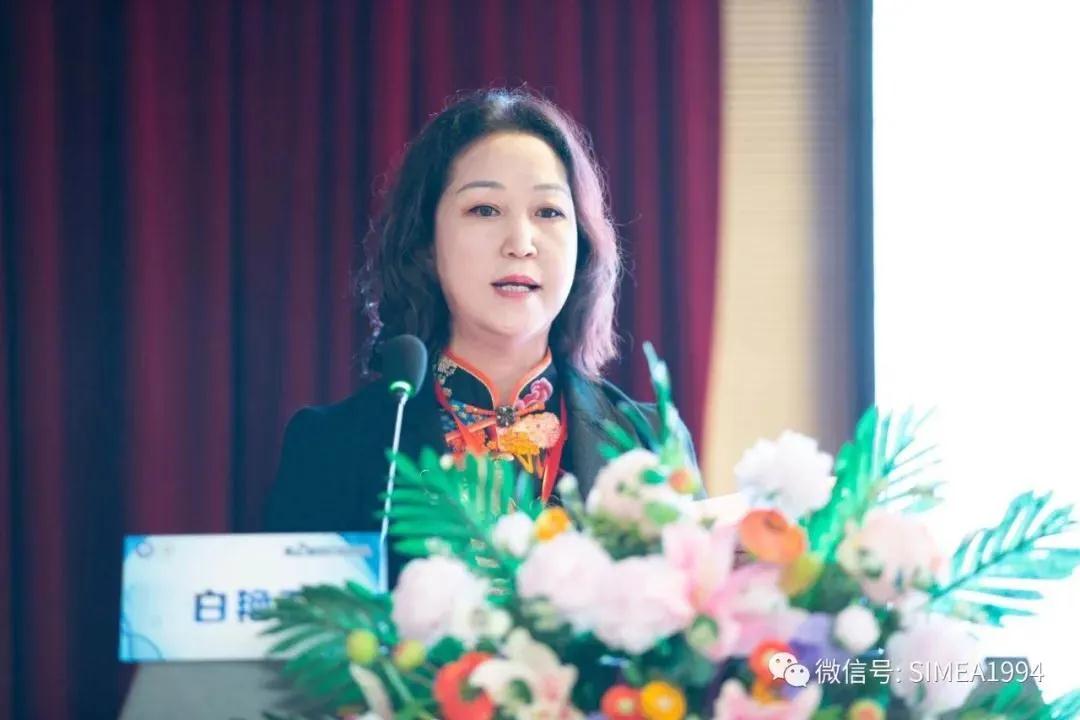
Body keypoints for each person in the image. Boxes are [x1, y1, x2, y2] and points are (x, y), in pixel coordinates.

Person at [263, 88, 698, 572]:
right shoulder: (332, 447)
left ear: (582, 242)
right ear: (426, 242)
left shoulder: (650, 443)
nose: (521, 243)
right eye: (485, 210)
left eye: (549, 212)